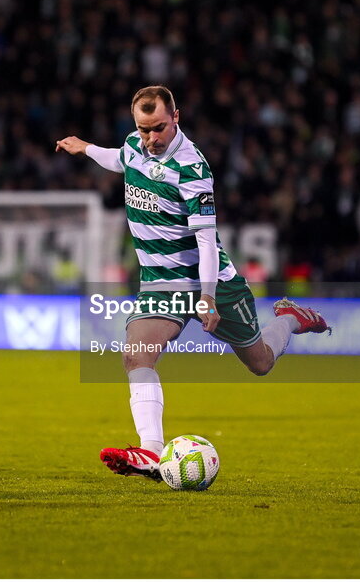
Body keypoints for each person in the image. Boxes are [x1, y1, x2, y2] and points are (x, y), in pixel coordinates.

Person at [56, 85, 331, 480]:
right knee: (136, 356)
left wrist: (206, 296)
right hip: (160, 283)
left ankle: (288, 318)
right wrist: (84, 148)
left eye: (159, 129)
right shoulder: (135, 145)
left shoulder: (193, 168)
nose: (150, 138)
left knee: (260, 363)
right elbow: (121, 160)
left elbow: (206, 240)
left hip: (212, 282)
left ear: (177, 118)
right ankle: (150, 452)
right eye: (143, 128)